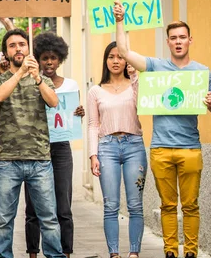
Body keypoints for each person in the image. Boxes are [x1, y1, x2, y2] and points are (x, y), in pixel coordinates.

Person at [113, 3, 211, 258]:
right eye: (173, 38)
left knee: (192, 205)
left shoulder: (201, 72)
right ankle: (171, 251)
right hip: (161, 148)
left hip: (191, 148)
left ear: (190, 40)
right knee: (167, 205)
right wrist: (121, 20)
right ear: (168, 42)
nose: (178, 41)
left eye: (182, 37)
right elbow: (124, 51)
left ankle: (191, 252)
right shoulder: (155, 66)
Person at [0, 28, 65, 258]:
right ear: (6, 52)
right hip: (8, 161)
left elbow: (53, 101)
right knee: (3, 220)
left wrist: (38, 78)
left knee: (49, 218)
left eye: (22, 44)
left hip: (40, 159)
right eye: (12, 45)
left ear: (29, 48)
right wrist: (20, 73)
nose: (18, 48)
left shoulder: (43, 79)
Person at [24, 32, 84, 258]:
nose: (49, 62)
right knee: (33, 207)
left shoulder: (70, 84)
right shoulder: (31, 82)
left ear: (61, 59)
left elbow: (72, 114)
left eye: (54, 58)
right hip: (35, 149)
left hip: (60, 150)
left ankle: (66, 252)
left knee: (63, 206)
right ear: (38, 59)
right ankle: (33, 252)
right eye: (45, 58)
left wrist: (79, 112)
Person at [88, 41, 146, 258]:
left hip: (134, 146)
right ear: (106, 60)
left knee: (135, 205)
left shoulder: (134, 85)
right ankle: (114, 253)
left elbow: (144, 106)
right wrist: (93, 155)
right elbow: (93, 124)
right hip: (107, 148)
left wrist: (136, 78)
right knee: (110, 205)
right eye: (111, 57)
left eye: (120, 57)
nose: (115, 61)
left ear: (127, 60)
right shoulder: (95, 90)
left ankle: (134, 253)